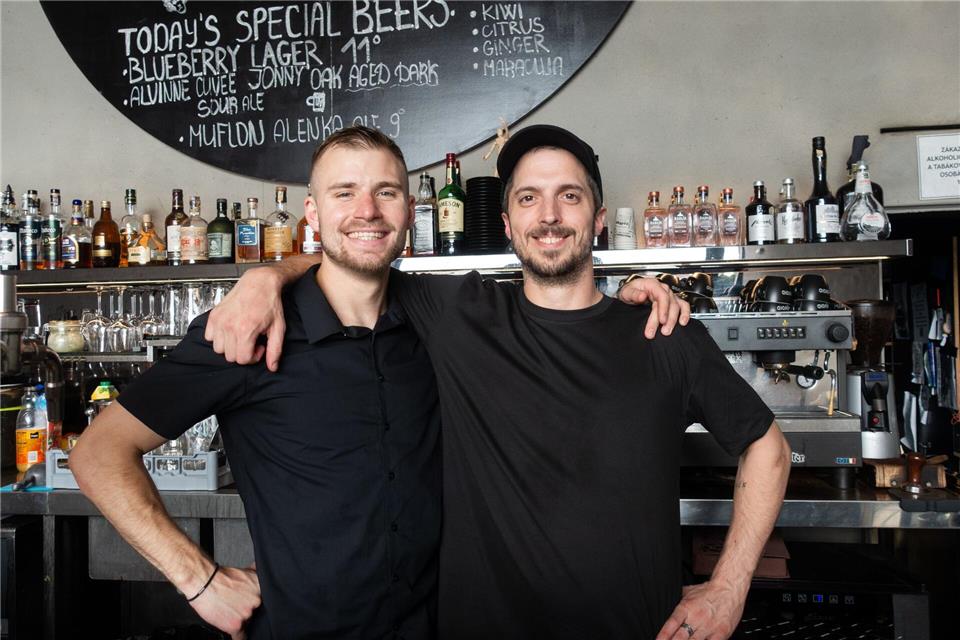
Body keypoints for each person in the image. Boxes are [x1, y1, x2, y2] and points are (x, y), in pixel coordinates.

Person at [69, 126, 685, 639]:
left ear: (408, 212)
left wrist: (623, 300)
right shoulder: (247, 331)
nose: (366, 211)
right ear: (313, 212)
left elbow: (553, 299)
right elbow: (98, 452)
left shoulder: (439, 321)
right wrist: (198, 579)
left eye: (386, 192)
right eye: (344, 193)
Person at [208, 124, 791, 640]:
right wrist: (264, 275)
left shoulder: (665, 334)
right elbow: (357, 249)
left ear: (597, 214)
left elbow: (768, 447)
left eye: (570, 195)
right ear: (509, 222)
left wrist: (728, 588)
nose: (551, 215)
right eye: (529, 198)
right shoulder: (461, 313)